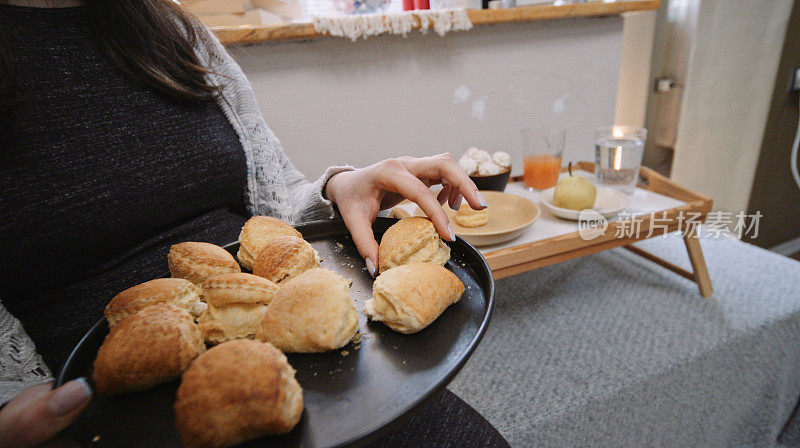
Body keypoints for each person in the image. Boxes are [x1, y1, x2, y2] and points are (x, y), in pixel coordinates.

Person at [0, 1, 508, 447]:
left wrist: (337, 189)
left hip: (299, 350)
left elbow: (272, 198)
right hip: (111, 411)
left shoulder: (169, 28)